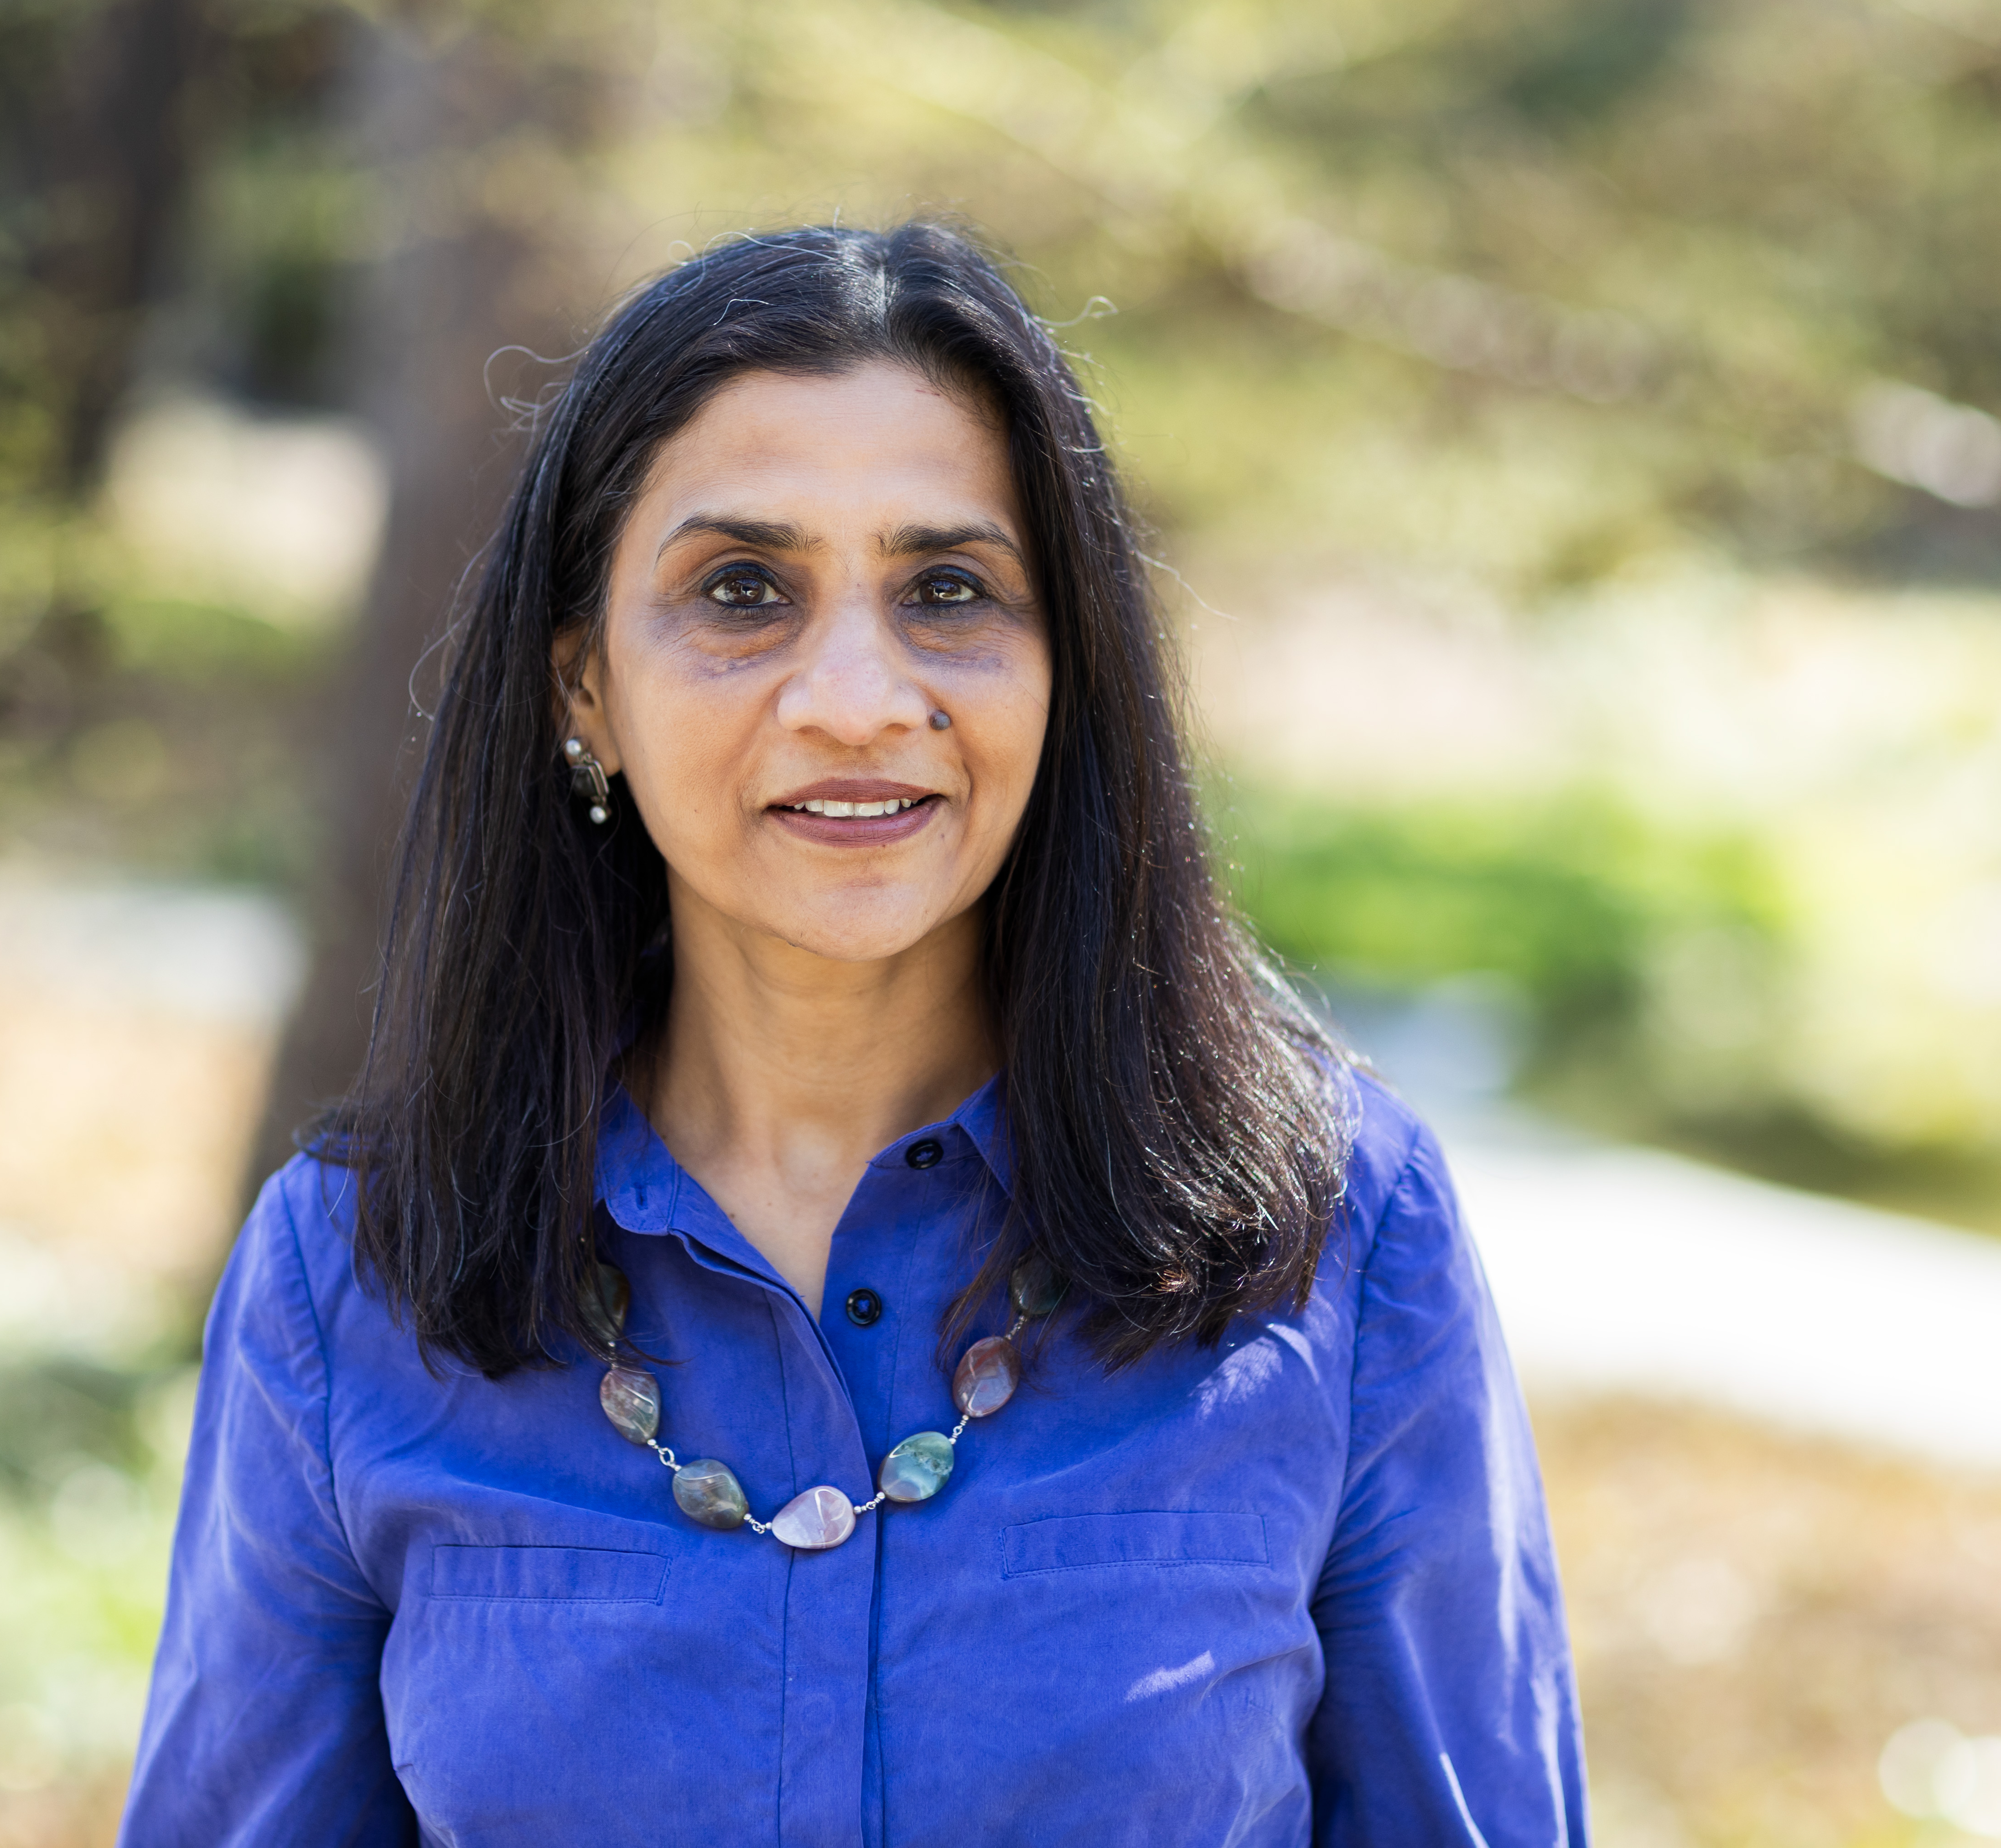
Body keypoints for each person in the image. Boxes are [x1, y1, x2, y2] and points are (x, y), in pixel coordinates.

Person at [118, 222, 1586, 1847]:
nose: (855, 696)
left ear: (1067, 668)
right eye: (741, 591)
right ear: (581, 687)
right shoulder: (353, 1273)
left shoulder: (1338, 1239)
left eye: (947, 589)